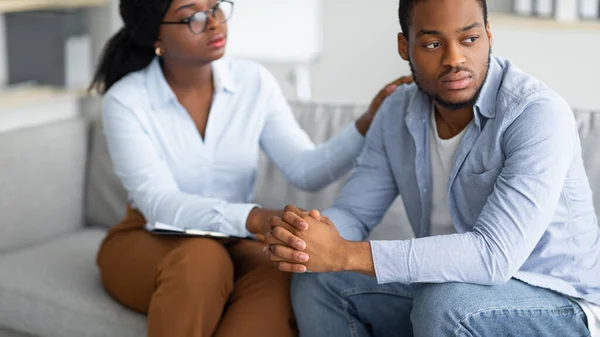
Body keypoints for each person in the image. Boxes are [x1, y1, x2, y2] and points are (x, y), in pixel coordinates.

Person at [264, 0, 600, 336]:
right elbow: (355, 211)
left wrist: (345, 254)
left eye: (469, 39)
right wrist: (307, 239)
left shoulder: (536, 114)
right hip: (452, 292)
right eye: (433, 44)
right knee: (319, 283)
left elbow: (493, 255)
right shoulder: (395, 112)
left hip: (562, 302)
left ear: (488, 36)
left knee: (446, 304)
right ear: (404, 47)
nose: (454, 58)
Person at [90, 0, 412, 336]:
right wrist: (255, 217)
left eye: (215, 8)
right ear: (156, 35)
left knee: (278, 270)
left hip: (234, 241)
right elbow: (158, 202)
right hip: (148, 236)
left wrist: (366, 121)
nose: (214, 22)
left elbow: (306, 169)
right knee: (202, 260)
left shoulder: (253, 82)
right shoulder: (126, 101)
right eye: (192, 18)